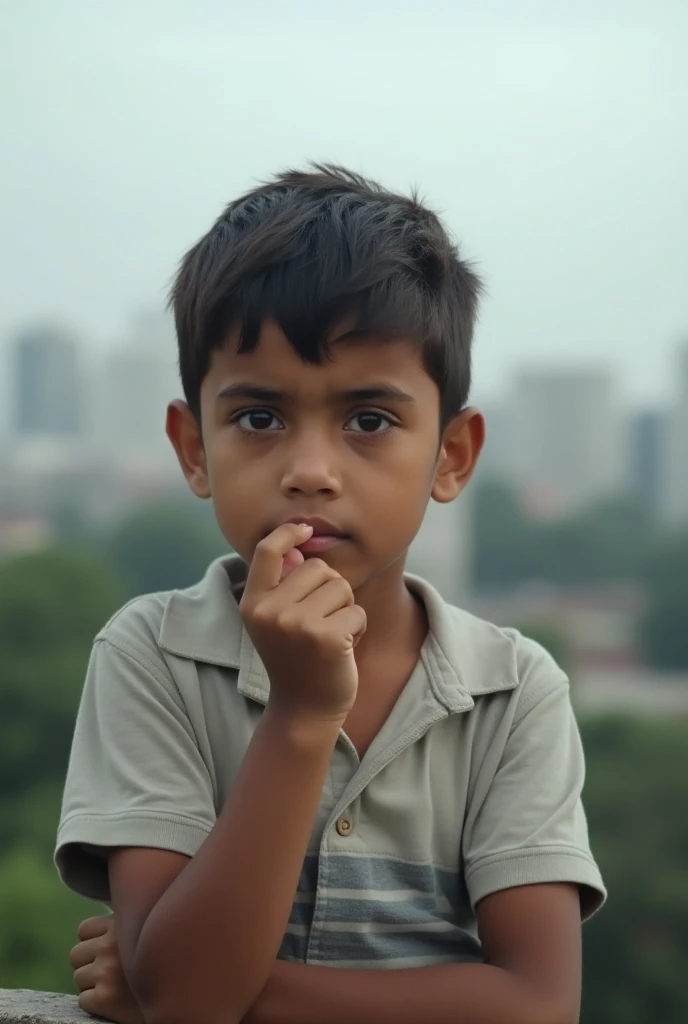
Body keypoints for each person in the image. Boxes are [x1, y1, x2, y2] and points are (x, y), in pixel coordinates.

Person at [56, 164, 606, 1024]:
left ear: (452, 455)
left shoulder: (511, 691)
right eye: (260, 418)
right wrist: (302, 717)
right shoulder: (153, 655)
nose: (310, 471)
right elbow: (194, 1002)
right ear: (193, 448)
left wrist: (197, 979)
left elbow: (537, 1008)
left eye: (370, 420)